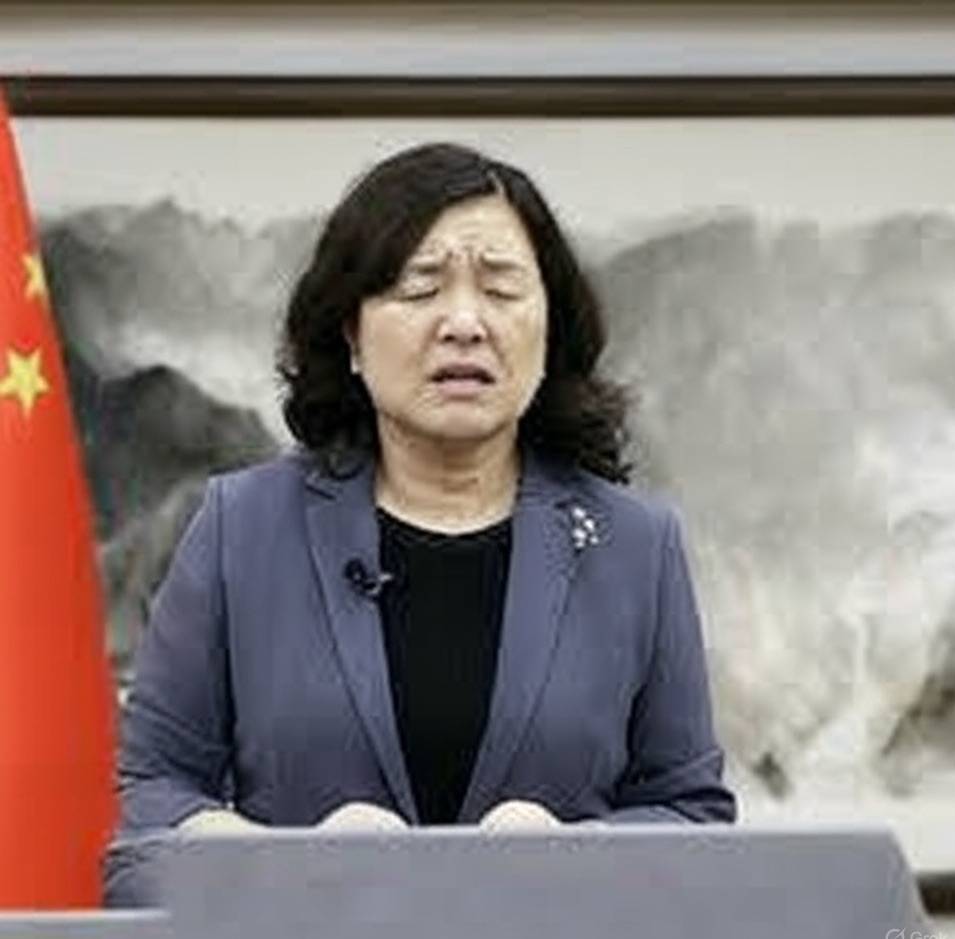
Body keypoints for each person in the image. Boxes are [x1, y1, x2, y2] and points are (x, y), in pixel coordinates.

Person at [114, 142, 736, 846]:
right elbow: (150, 799)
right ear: (351, 333)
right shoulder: (242, 529)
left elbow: (690, 812)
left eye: (501, 289)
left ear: (550, 328)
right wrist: (290, 863)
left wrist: (575, 852)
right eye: (419, 289)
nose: (464, 323)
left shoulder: (637, 547)